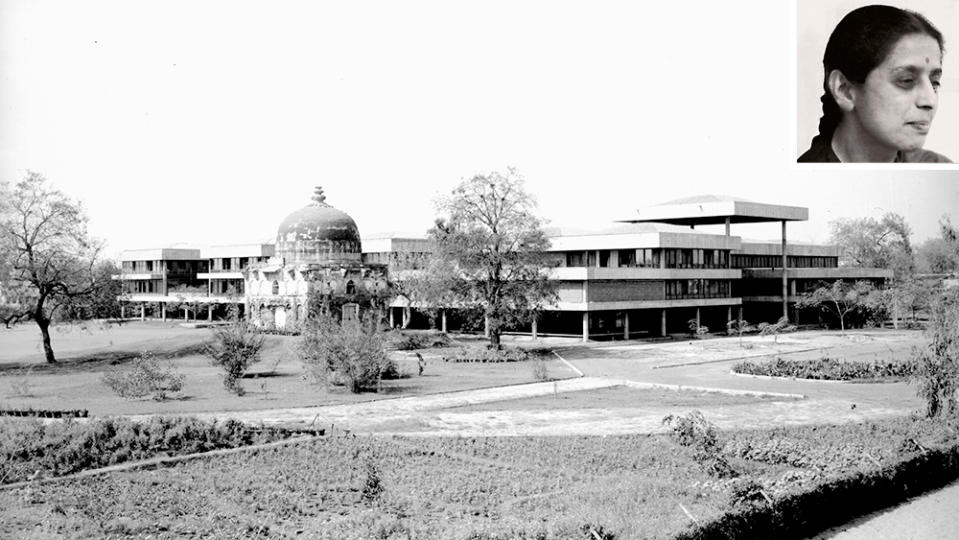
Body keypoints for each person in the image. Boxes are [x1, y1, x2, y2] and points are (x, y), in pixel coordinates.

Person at [799, 5, 950, 163]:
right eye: (906, 80)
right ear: (844, 90)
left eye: (935, 83)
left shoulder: (937, 170)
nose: (930, 101)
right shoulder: (802, 183)